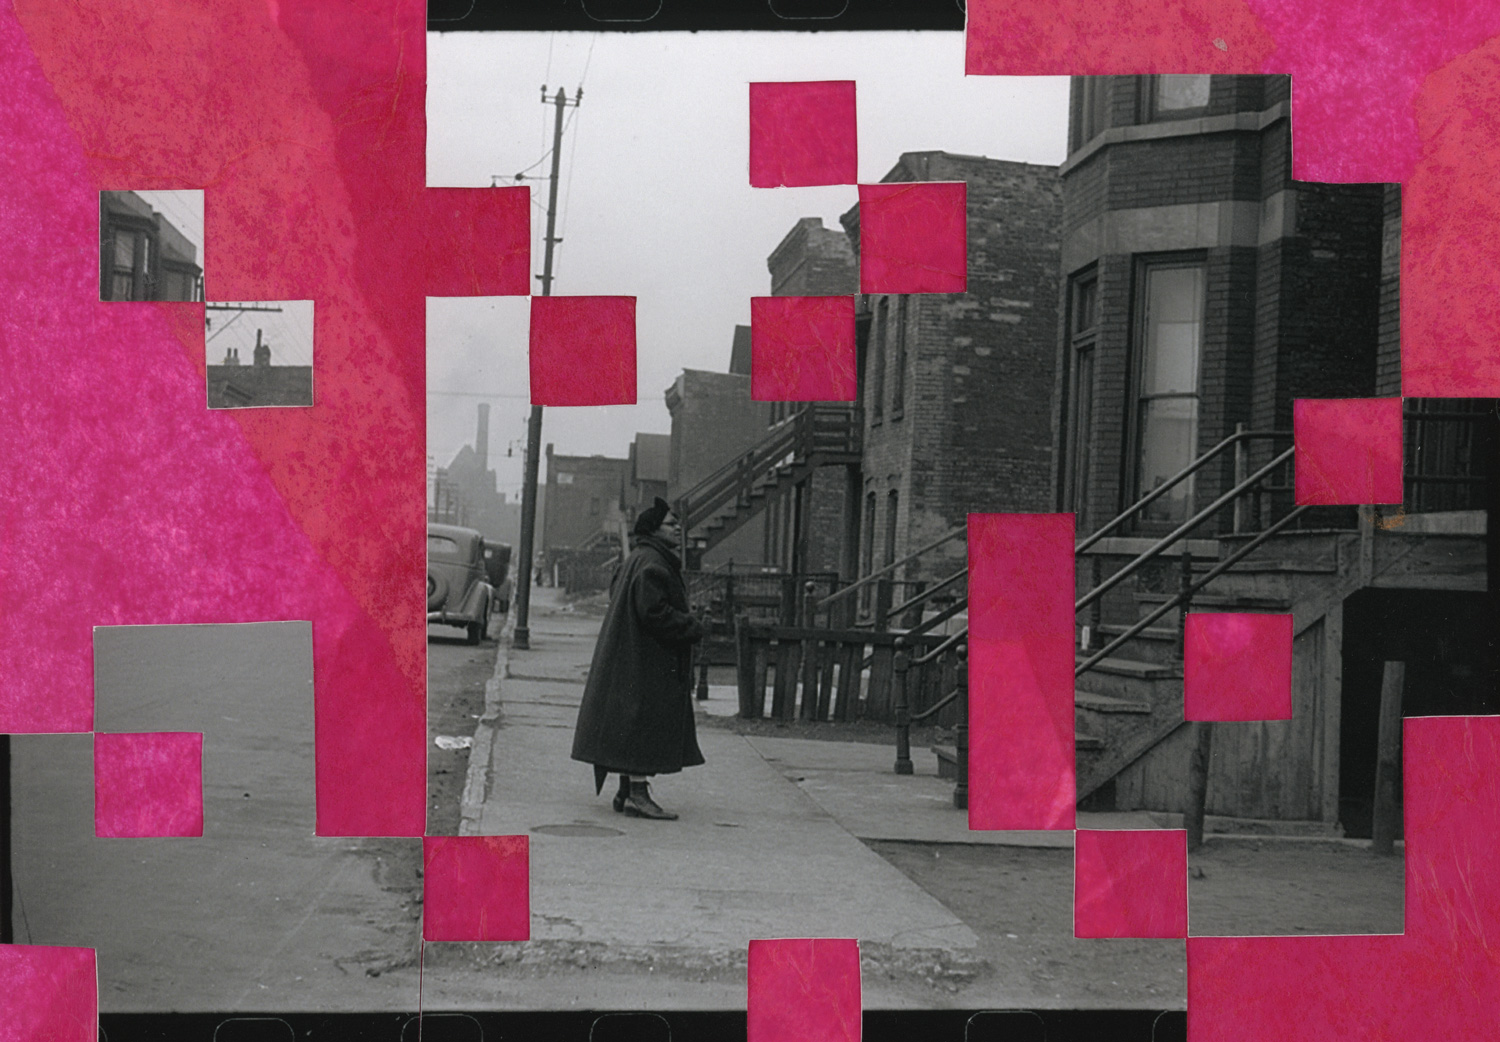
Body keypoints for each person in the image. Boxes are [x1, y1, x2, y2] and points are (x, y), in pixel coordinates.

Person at [570, 497, 705, 820]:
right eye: (672, 524)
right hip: (646, 660)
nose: (678, 529)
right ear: (654, 530)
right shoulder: (654, 564)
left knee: (631, 724)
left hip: (631, 657)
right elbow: (653, 613)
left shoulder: (639, 559)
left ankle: (627, 790)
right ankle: (638, 795)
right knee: (643, 724)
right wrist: (692, 625)